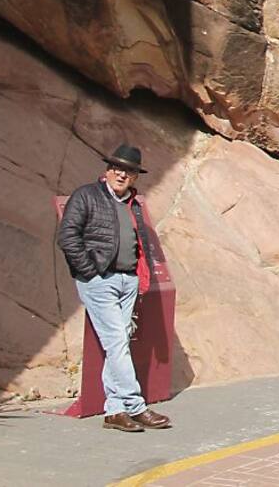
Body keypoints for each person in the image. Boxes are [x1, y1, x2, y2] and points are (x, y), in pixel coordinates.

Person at [57, 144, 172, 432]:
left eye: (129, 171)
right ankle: (135, 405)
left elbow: (139, 243)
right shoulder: (87, 195)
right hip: (100, 281)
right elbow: (68, 235)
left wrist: (137, 275)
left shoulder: (133, 203)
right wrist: (90, 273)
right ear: (107, 170)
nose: (122, 174)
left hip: (127, 280)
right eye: (117, 168)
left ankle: (114, 410)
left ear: (135, 177)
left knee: (116, 344)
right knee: (117, 343)